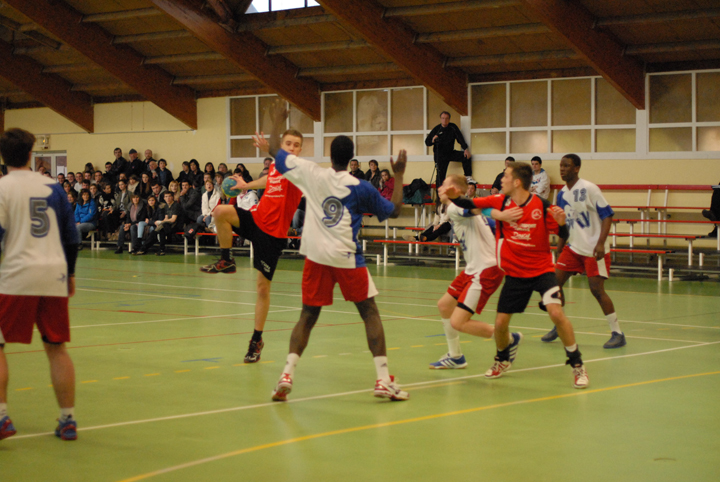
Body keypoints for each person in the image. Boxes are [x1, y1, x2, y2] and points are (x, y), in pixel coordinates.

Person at [256, 102, 409, 402]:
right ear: (351, 159)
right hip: (346, 257)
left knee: (307, 315)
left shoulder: (311, 173)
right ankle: (382, 379)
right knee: (369, 312)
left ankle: (286, 374)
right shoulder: (362, 187)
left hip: (315, 256)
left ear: (330, 156)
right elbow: (395, 210)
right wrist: (399, 175)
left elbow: (274, 149)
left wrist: (276, 120)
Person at [445, 161, 589, 389]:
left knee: (556, 313)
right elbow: (468, 203)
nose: (501, 180)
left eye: (505, 176)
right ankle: (502, 359)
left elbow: (563, 232)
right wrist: (455, 196)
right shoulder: (499, 201)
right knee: (501, 323)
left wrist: (562, 224)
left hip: (542, 270)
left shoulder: (541, 206)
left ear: (517, 182)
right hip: (515, 273)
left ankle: (577, 364)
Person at [0, 128, 79, 441]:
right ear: (31, 154)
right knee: (57, 348)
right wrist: (70, 274)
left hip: (17, 274)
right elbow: (71, 236)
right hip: (53, 272)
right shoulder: (54, 188)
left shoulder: (3, 187)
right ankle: (68, 420)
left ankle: (2, 417)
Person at [200, 129, 304, 365]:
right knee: (220, 211)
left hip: (273, 235)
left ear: (300, 149)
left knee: (262, 289)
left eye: (296, 145)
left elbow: (284, 165)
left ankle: (256, 340)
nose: (291, 147)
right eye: (288, 143)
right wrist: (246, 185)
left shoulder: (298, 169)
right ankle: (226, 259)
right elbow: (270, 180)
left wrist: (271, 148)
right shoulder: (276, 166)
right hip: (257, 218)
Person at [430, 175, 516, 369]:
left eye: (444, 185)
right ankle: (456, 356)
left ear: (455, 190)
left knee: (458, 322)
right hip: (473, 268)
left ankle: (508, 338)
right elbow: (479, 210)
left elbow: (475, 209)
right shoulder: (455, 207)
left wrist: (498, 213)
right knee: (444, 305)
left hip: (486, 269)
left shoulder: (455, 207)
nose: (440, 188)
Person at [540, 154, 626, 349]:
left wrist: (600, 243)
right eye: (561, 166)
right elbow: (562, 222)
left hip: (593, 249)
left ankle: (617, 333)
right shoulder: (561, 194)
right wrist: (560, 244)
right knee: (554, 284)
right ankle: (559, 324)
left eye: (566, 166)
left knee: (597, 290)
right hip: (573, 248)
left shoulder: (589, 188)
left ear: (577, 168)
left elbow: (608, 215)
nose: (562, 169)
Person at [425, 111, 471, 197]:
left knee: (466, 156)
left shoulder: (453, 127)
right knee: (440, 177)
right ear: (440, 119)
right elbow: (427, 142)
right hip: (440, 156)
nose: (445, 120)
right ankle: (440, 197)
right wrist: (433, 140)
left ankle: (468, 177)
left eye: (446, 118)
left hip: (450, 152)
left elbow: (460, 138)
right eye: (443, 118)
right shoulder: (437, 129)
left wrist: (465, 149)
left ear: (449, 119)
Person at [137, 191, 181, 256]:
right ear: (164, 198)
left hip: (176, 226)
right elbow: (166, 218)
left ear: (172, 197)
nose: (168, 198)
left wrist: (161, 222)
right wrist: (161, 223)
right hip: (167, 225)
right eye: (166, 196)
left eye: (169, 196)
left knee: (159, 230)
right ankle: (149, 249)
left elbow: (173, 219)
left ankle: (143, 249)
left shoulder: (176, 205)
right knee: (158, 231)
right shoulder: (166, 206)